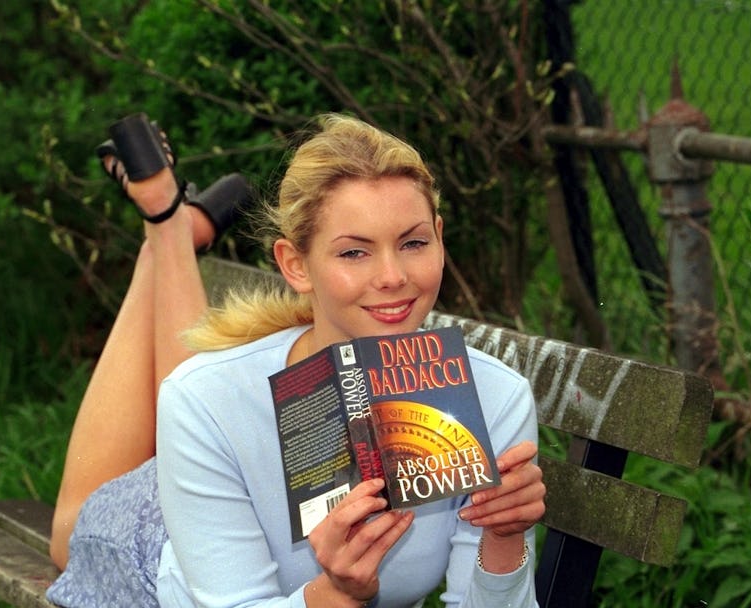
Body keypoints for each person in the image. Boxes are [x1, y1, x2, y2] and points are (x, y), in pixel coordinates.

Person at [47, 113, 545, 608]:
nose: (393, 276)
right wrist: (335, 595)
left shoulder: (494, 397)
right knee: (69, 529)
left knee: (211, 391)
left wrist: (504, 536)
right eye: (354, 253)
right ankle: (167, 224)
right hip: (151, 550)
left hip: (217, 482)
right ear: (294, 265)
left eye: (413, 243)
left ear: (439, 236)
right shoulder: (201, 396)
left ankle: (172, 226)